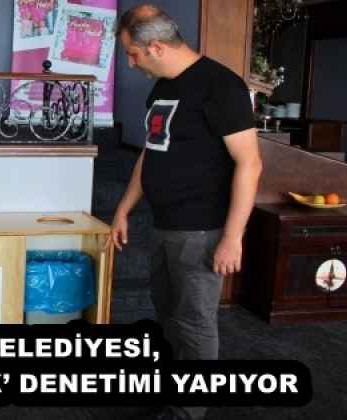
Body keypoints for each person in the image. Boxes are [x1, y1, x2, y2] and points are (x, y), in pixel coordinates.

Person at [108, 5, 262, 420]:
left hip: (201, 230)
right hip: (163, 224)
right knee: (170, 319)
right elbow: (151, 151)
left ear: (156, 47)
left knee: (194, 324)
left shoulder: (221, 87)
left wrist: (233, 237)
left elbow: (250, 163)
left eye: (133, 54)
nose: (130, 63)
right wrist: (124, 208)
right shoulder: (162, 88)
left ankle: (189, 411)